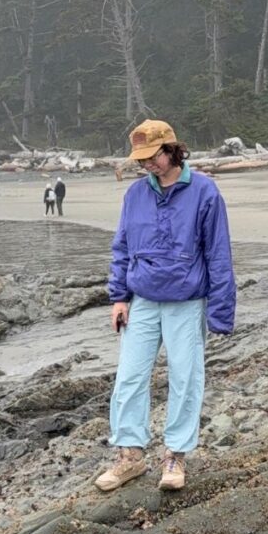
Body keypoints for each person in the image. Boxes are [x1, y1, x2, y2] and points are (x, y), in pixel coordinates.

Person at [95, 119, 236, 494]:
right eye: (140, 160)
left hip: (186, 302)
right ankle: (130, 455)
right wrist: (119, 296)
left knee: (185, 378)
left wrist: (220, 312)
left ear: (172, 150)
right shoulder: (136, 195)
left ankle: (175, 454)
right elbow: (122, 247)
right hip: (142, 301)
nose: (146, 165)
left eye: (152, 157)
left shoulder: (205, 192)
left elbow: (218, 254)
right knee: (129, 378)